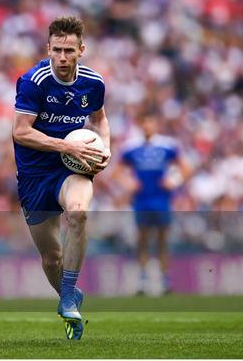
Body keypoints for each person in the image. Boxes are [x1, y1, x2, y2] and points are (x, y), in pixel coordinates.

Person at [12, 17, 110, 340]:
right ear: (48, 49)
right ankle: (69, 294)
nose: (63, 57)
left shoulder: (93, 83)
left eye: (70, 50)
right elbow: (20, 131)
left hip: (72, 166)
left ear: (82, 50)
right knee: (51, 257)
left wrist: (105, 147)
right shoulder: (33, 82)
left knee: (79, 212)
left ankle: (67, 296)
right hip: (34, 173)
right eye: (57, 50)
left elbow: (99, 119)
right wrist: (64, 144)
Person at [115, 112, 191, 295]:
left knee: (162, 239)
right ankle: (142, 280)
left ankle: (165, 280)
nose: (148, 127)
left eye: (151, 123)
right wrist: (129, 183)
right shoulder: (131, 148)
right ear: (141, 125)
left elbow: (186, 168)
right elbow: (116, 172)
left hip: (161, 198)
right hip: (141, 199)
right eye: (145, 123)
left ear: (157, 125)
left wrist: (174, 181)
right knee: (142, 239)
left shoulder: (167, 146)